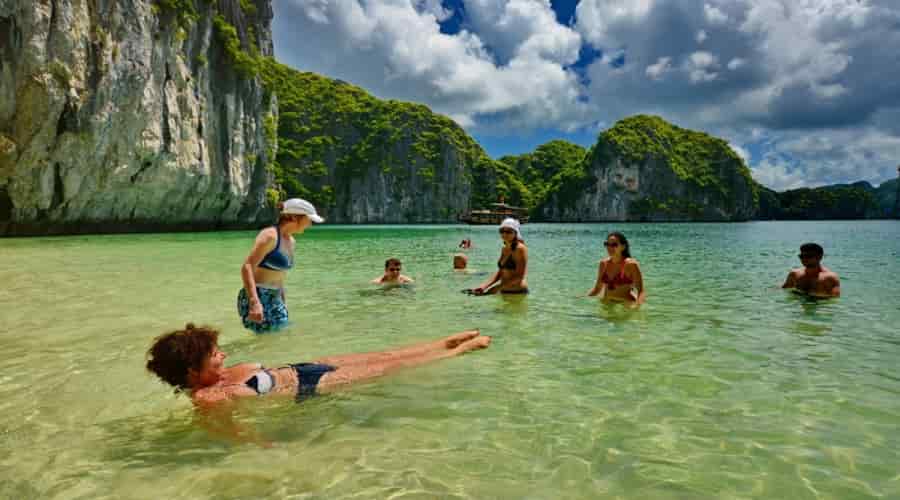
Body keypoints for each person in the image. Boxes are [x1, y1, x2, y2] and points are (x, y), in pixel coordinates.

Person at [146, 323, 491, 407]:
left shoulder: (216, 379)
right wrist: (262, 447)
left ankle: (444, 342)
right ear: (193, 371)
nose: (222, 354)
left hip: (303, 367)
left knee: (388, 355)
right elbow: (231, 432)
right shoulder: (208, 398)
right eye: (214, 354)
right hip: (311, 387)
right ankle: (461, 349)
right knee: (394, 368)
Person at [238, 198, 323, 333]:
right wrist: (255, 302)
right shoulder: (270, 236)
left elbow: (280, 276)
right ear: (294, 217)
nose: (310, 224)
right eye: (309, 220)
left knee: (279, 339)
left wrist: (283, 302)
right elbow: (247, 267)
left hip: (275, 297)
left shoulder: (291, 241)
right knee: (268, 341)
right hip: (260, 296)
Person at [469, 218, 528, 295]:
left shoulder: (520, 249)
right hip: (504, 289)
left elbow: (520, 277)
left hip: (517, 292)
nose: (504, 234)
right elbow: (500, 272)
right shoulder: (505, 248)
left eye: (508, 232)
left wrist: (497, 287)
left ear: (515, 233)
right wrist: (484, 286)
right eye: (502, 231)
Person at [587, 232, 646, 305]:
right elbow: (597, 289)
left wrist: (636, 306)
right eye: (607, 244)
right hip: (607, 304)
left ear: (623, 247)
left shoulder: (631, 264)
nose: (609, 247)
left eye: (614, 244)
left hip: (625, 306)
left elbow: (641, 291)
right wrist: (583, 299)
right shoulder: (603, 264)